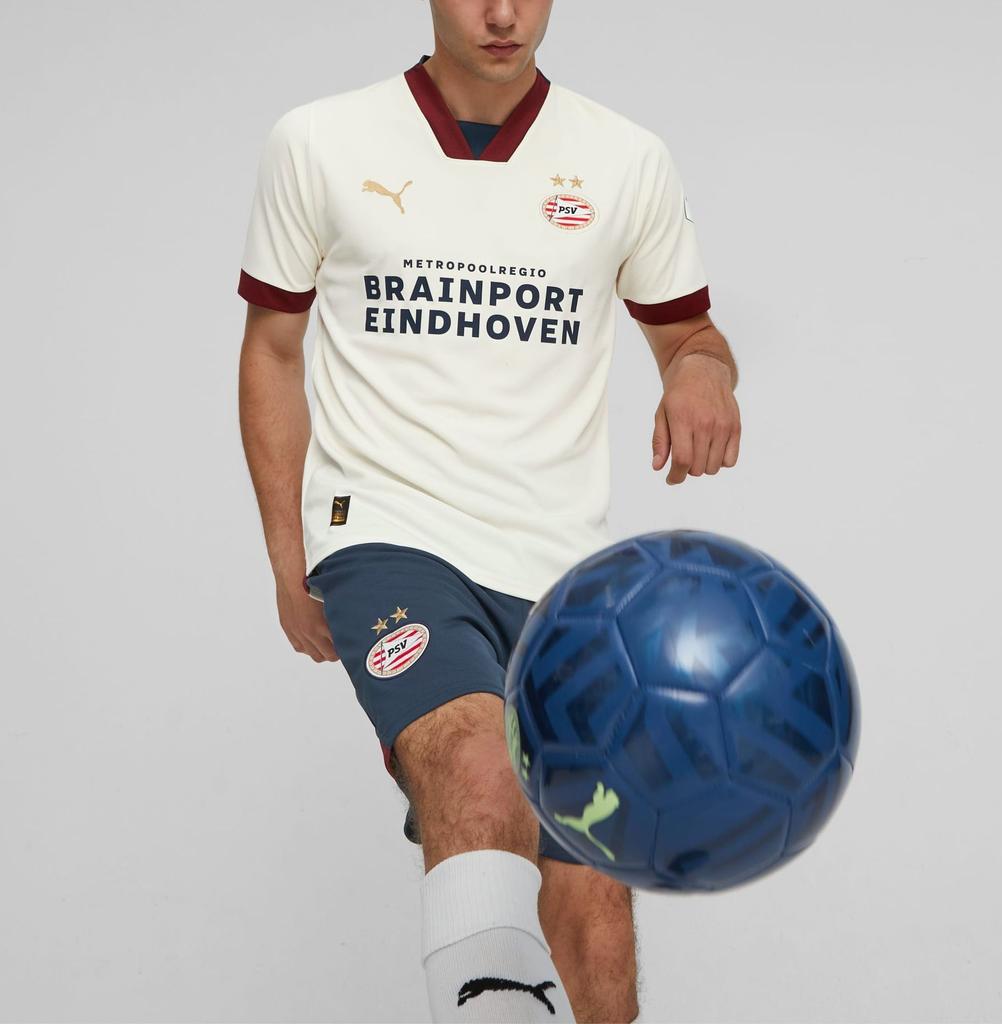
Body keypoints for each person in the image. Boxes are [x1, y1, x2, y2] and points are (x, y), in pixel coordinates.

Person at [236, 1, 740, 1020]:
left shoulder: (624, 157)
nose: (503, 14)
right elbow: (272, 350)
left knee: (593, 903)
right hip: (389, 535)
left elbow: (690, 334)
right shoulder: (320, 140)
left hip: (562, 580)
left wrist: (701, 373)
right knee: (478, 760)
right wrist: (291, 560)